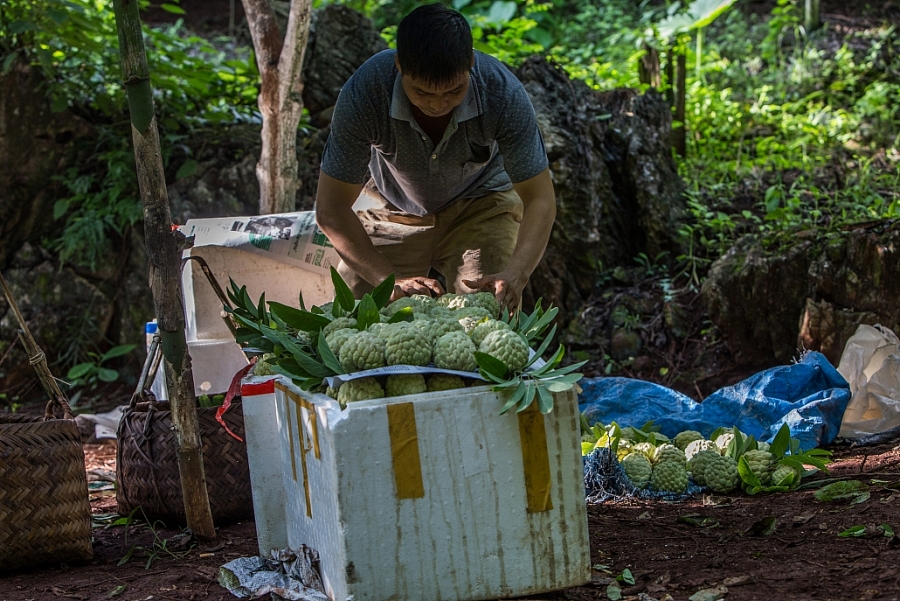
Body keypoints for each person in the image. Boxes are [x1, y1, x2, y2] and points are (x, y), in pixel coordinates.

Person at [314, 3, 556, 311]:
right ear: (400, 65)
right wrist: (388, 279)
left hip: (481, 206)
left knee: (488, 312)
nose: (438, 105)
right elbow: (331, 209)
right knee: (358, 315)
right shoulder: (366, 93)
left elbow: (540, 198)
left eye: (454, 91)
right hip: (393, 205)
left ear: (469, 62)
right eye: (423, 93)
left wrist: (516, 274)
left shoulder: (502, 93)